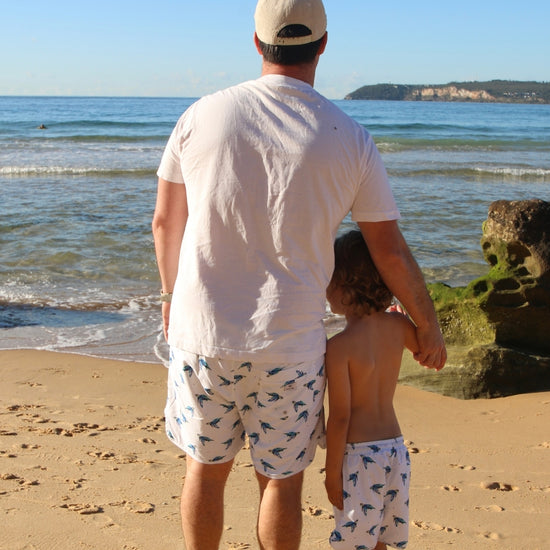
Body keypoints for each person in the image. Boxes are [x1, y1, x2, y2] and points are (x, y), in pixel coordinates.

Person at [152, 1, 446, 548]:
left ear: (258, 43)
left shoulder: (202, 115)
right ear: (324, 44)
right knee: (281, 484)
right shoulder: (349, 136)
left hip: (204, 335)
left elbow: (167, 222)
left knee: (205, 470)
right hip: (289, 344)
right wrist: (427, 325)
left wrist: (170, 297)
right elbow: (388, 250)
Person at [324, 229, 443, 550]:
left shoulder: (338, 348)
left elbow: (339, 418)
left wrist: (331, 474)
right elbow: (425, 349)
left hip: (359, 457)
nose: (324, 286)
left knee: (354, 539)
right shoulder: (400, 326)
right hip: (395, 452)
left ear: (346, 287)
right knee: (380, 538)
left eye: (329, 277)